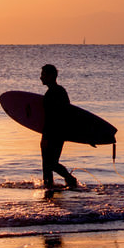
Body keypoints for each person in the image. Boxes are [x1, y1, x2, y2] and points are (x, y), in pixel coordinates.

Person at [39, 64, 79, 192]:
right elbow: (68, 113)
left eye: (43, 75)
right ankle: (49, 187)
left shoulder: (53, 93)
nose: (41, 78)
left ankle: (68, 180)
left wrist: (45, 137)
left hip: (53, 134)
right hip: (59, 133)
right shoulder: (59, 91)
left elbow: (52, 117)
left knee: (49, 164)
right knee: (49, 163)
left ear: (51, 76)